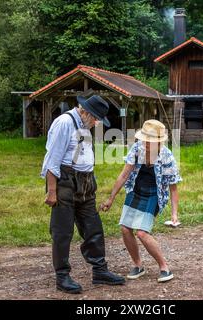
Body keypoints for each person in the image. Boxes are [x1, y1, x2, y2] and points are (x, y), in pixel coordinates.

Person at [41, 95, 125, 294]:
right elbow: (52, 159)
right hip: (65, 181)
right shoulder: (64, 123)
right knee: (63, 231)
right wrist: (52, 191)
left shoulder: (85, 125)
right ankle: (62, 276)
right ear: (85, 111)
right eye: (96, 118)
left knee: (93, 226)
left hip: (86, 182)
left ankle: (100, 271)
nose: (97, 123)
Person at [100, 119, 182, 283]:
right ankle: (138, 265)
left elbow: (173, 188)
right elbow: (124, 175)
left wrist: (174, 214)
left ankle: (164, 267)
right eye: (144, 140)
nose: (144, 143)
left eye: (149, 141)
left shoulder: (167, 157)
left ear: (158, 143)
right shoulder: (137, 149)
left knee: (142, 233)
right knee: (125, 228)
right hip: (136, 191)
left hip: (153, 195)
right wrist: (111, 198)